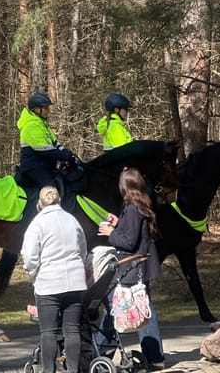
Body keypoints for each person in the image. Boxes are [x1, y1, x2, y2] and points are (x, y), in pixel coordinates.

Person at [96, 167, 165, 371]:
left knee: (114, 307)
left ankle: (100, 351)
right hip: (140, 266)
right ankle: (154, 357)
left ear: (125, 187)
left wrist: (110, 233)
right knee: (143, 309)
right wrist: (119, 223)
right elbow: (135, 233)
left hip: (132, 268)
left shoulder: (132, 208)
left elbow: (128, 241)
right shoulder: (140, 206)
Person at [21, 186, 88, 373]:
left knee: (48, 331)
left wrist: (33, 273)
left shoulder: (37, 224)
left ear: (39, 204)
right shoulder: (72, 220)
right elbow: (83, 250)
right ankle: (73, 370)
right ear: (59, 200)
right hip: (75, 282)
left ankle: (48, 370)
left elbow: (29, 257)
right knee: (72, 330)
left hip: (49, 283)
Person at [16, 92, 76, 188]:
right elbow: (43, 149)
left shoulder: (43, 125)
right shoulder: (30, 126)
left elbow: (55, 143)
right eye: (45, 108)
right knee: (51, 191)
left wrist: (66, 152)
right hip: (34, 168)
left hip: (45, 166)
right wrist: (63, 156)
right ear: (36, 109)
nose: (48, 110)